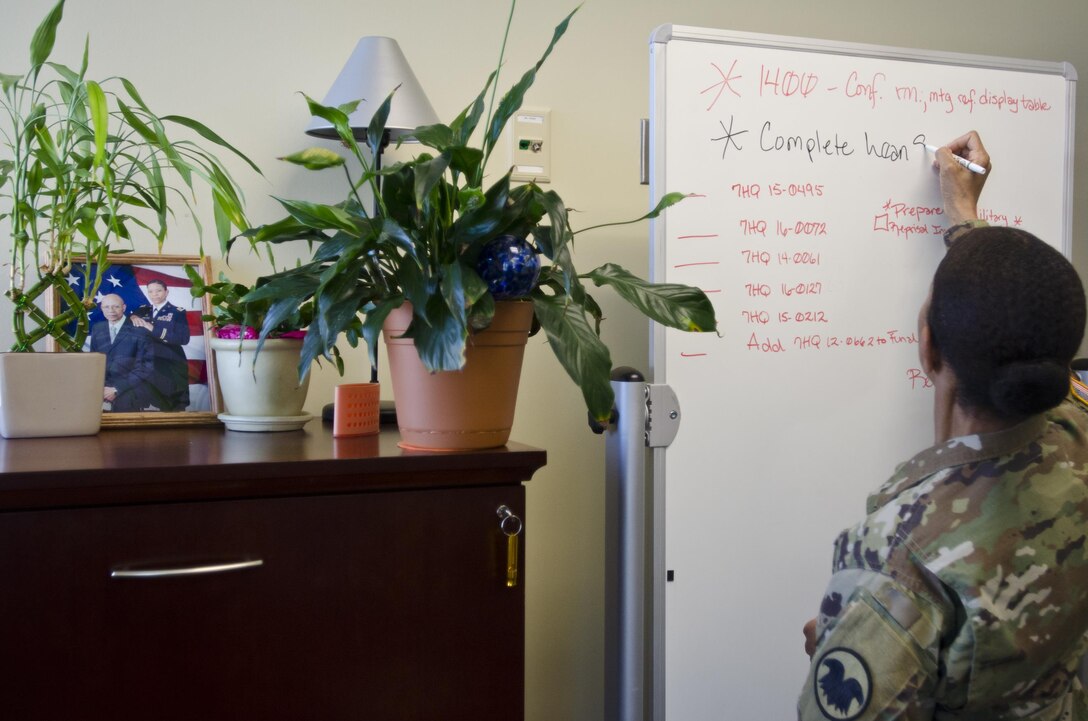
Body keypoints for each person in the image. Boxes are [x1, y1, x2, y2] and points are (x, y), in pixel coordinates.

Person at [799, 131, 1088, 720]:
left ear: (926, 347)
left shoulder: (901, 558)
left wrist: (839, 649)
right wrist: (963, 216)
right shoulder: (1076, 433)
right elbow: (1012, 314)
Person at [129, 278, 191, 411]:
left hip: (169, 364)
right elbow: (130, 323)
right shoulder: (142, 311)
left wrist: (153, 329)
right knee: (140, 403)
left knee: (171, 405)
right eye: (150, 291)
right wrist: (133, 317)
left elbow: (183, 338)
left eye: (158, 291)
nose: (154, 294)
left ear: (166, 292)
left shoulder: (177, 312)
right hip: (145, 363)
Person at [88, 293, 155, 412]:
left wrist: (116, 389)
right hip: (101, 389)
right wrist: (102, 388)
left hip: (129, 389)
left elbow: (145, 367)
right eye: (106, 307)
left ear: (124, 308)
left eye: (116, 307)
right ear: (101, 308)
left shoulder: (140, 331)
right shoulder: (97, 328)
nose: (111, 311)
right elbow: (94, 361)